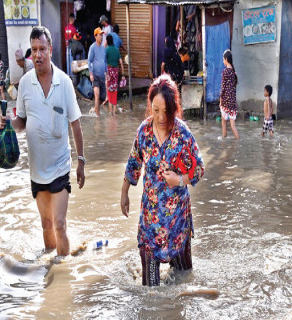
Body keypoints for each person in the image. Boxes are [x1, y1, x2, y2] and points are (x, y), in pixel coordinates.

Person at [0, 26, 85, 256]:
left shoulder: (64, 83)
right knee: (46, 225)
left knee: (59, 224)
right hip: (36, 168)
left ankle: (63, 273)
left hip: (59, 165)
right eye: (34, 50)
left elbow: (76, 124)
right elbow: (21, 122)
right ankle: (50, 268)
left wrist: (81, 162)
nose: (38, 55)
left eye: (42, 49)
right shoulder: (25, 83)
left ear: (50, 50)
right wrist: (8, 124)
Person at [120, 74, 205, 286]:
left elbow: (199, 169)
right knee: (150, 290)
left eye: (166, 111)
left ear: (173, 108)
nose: (160, 117)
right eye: (155, 110)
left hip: (177, 219)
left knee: (184, 278)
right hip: (151, 219)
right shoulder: (144, 132)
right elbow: (133, 164)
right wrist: (123, 193)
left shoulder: (182, 133)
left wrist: (180, 180)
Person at [219, 49, 240, 139]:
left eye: (223, 59)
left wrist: (220, 101)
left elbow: (223, 88)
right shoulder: (233, 73)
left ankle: (224, 139)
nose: (223, 61)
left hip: (225, 102)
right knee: (233, 126)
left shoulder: (225, 72)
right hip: (232, 103)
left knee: (224, 124)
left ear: (226, 59)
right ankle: (238, 140)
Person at [103, 34, 125, 116]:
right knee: (115, 90)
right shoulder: (116, 50)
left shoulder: (106, 50)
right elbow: (121, 62)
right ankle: (114, 111)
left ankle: (110, 111)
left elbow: (104, 61)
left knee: (109, 90)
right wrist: (123, 74)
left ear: (107, 41)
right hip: (116, 71)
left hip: (109, 71)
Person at [88, 27, 107, 117]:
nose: (101, 37)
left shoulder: (103, 48)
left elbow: (105, 61)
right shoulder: (92, 47)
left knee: (103, 98)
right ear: (95, 36)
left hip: (102, 76)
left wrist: (106, 73)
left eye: (102, 35)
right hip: (95, 75)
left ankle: (95, 109)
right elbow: (89, 61)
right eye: (100, 35)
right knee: (97, 94)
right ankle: (98, 117)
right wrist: (91, 73)